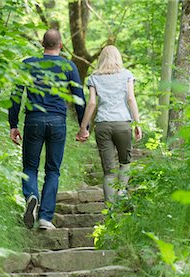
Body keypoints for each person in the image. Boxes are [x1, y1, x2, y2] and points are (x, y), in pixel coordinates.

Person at [9, 29, 86, 230]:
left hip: (34, 120)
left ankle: (31, 196)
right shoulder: (68, 66)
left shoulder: (28, 64)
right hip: (58, 122)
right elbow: (79, 97)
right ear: (60, 45)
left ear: (42, 44)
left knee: (30, 167)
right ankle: (45, 218)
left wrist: (13, 124)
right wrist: (83, 127)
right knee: (53, 170)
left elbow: (16, 94)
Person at [76, 45, 142, 202]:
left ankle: (109, 212)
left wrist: (83, 127)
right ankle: (122, 191)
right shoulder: (126, 75)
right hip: (122, 124)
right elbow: (131, 99)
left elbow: (91, 103)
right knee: (125, 161)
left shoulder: (94, 77)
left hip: (103, 125)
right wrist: (137, 124)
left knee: (109, 171)